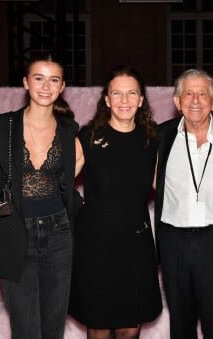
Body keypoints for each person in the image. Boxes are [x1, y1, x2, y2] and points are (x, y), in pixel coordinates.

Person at [0, 54, 84, 339]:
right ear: (26, 83)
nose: (46, 86)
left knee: (53, 327)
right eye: (38, 78)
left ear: (62, 86)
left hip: (59, 234)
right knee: (26, 328)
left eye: (54, 79)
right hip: (15, 232)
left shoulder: (70, 130)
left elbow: (72, 181)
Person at [69, 65, 162, 339]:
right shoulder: (89, 136)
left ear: (141, 100)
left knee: (129, 328)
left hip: (136, 245)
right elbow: (57, 183)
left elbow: (166, 187)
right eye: (117, 93)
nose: (124, 100)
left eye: (131, 93)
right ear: (106, 100)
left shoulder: (153, 139)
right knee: (98, 326)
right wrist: (78, 209)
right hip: (95, 246)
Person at [154, 69, 213, 339]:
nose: (195, 100)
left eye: (203, 93)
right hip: (173, 243)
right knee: (180, 328)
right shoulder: (159, 137)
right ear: (176, 101)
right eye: (188, 93)